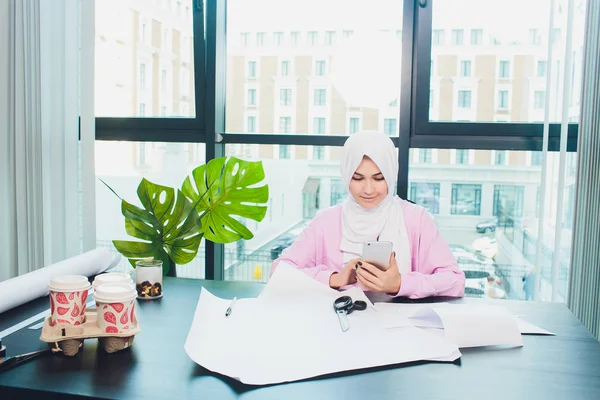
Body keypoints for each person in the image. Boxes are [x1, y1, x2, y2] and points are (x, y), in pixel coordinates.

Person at [270, 131, 465, 299]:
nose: (369, 189)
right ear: (346, 175)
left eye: (379, 178)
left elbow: (455, 281)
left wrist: (400, 284)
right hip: (337, 328)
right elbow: (279, 272)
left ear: (391, 174)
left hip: (402, 330)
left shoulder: (417, 219)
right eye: (358, 178)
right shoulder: (326, 221)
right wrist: (335, 278)